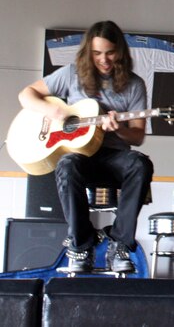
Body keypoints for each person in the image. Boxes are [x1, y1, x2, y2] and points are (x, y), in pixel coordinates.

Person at [18, 20, 154, 273]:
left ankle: (120, 243)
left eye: (110, 53)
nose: (104, 59)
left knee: (141, 163)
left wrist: (118, 129)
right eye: (97, 53)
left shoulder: (134, 84)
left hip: (114, 158)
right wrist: (54, 110)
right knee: (67, 164)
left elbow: (137, 136)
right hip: (81, 157)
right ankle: (81, 245)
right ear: (87, 52)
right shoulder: (71, 74)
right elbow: (26, 94)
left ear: (120, 52)